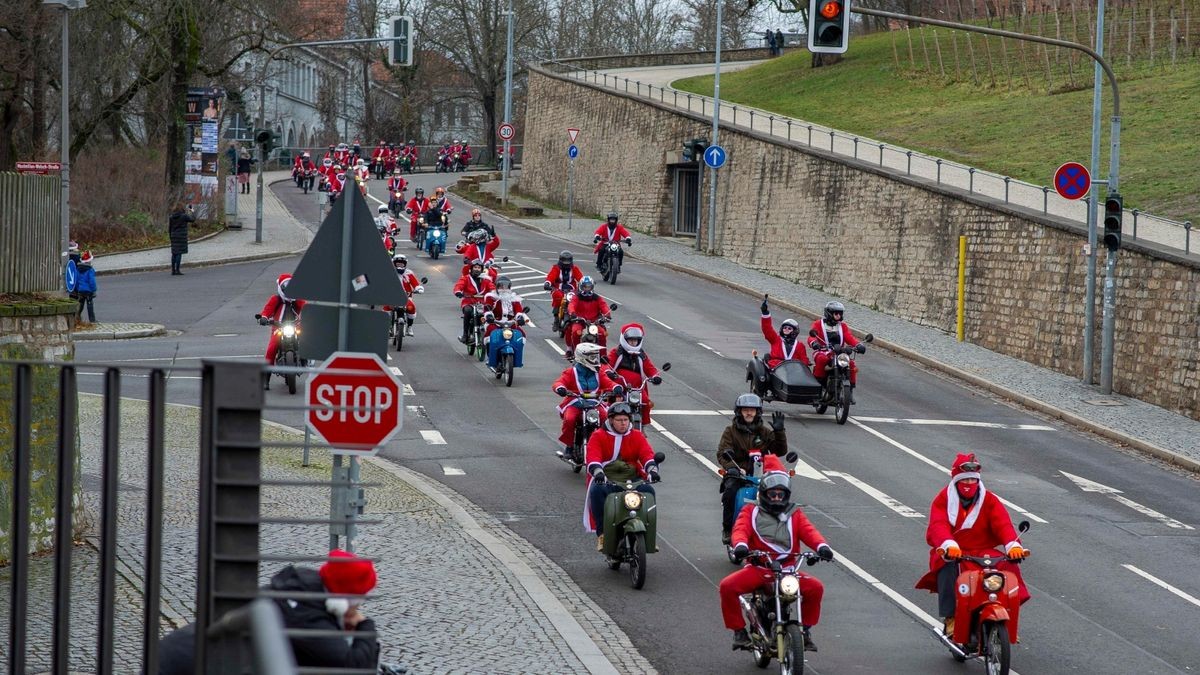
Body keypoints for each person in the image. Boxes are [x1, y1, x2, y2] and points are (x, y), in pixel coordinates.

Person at [157, 549, 381, 673]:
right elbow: (355, 667)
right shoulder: (307, 617)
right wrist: (364, 626)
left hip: (176, 653)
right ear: (342, 601)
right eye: (359, 601)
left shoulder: (298, 591)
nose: (359, 608)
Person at [722, 454, 833, 652]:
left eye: (780, 494)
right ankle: (739, 632)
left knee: (816, 588)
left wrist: (822, 547)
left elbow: (810, 532)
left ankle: (805, 631)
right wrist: (740, 546)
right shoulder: (751, 511)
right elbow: (740, 530)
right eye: (772, 494)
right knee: (727, 587)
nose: (776, 498)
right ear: (764, 493)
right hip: (760, 568)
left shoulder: (795, 513)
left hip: (789, 570)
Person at [915, 453, 1030, 639]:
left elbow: (1002, 524)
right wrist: (948, 544)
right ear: (956, 480)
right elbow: (938, 525)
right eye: (965, 479)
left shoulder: (989, 499)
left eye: (973, 479)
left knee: (1009, 566)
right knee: (947, 567)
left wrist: (1012, 545)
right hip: (954, 551)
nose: (969, 483)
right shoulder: (943, 498)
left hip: (983, 550)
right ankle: (951, 617)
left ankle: (1007, 616)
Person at [583, 402, 660, 551]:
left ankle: (649, 535)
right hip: (608, 479)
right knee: (597, 492)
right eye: (619, 420)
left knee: (649, 492)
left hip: (632, 479)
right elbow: (593, 458)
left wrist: (652, 470)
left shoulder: (636, 436)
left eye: (626, 420)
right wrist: (598, 473)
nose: (623, 423)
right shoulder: (598, 435)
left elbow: (646, 454)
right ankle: (603, 534)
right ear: (611, 420)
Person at [715, 393, 788, 543]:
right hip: (738, 473)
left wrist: (780, 432)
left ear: (758, 412)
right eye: (745, 410)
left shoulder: (764, 432)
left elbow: (780, 451)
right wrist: (732, 468)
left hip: (761, 475)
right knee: (729, 492)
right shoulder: (730, 431)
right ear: (739, 412)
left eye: (752, 410)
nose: (749, 413)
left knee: (779, 492)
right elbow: (723, 453)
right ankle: (728, 529)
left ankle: (780, 528)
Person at [552, 343, 622, 455]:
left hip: (595, 403)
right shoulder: (571, 372)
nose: (595, 359)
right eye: (591, 356)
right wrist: (560, 388)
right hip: (575, 403)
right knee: (569, 419)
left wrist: (616, 387)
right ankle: (569, 446)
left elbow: (609, 382)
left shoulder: (599, 373)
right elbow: (559, 382)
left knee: (606, 416)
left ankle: (607, 445)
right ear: (582, 357)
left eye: (595, 356)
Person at [808, 300, 866, 403]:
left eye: (840, 313)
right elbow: (811, 337)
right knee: (822, 359)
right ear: (829, 313)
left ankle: (850, 391)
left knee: (851, 363)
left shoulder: (842, 326)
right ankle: (818, 388)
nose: (838, 315)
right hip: (822, 350)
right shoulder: (818, 324)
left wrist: (858, 345)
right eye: (836, 313)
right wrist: (814, 343)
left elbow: (849, 337)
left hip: (839, 352)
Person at [606, 323, 662, 426]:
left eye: (635, 340)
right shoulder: (617, 352)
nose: (633, 343)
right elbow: (607, 364)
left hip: (637, 388)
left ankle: (643, 426)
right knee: (612, 404)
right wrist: (608, 372)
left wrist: (655, 376)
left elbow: (650, 368)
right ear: (625, 340)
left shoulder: (641, 355)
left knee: (645, 403)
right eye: (630, 340)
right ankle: (608, 425)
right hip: (620, 387)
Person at [258, 273, 306, 369]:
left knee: (306, 339)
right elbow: (267, 310)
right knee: (271, 349)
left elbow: (306, 307)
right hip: (278, 327)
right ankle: (267, 377)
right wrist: (264, 318)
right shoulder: (275, 299)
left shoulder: (297, 299)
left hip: (296, 326)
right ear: (281, 287)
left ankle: (305, 360)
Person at [482, 276, 529, 370]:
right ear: (496, 287)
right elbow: (487, 309)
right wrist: (489, 316)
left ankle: (516, 356)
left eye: (506, 286)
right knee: (490, 334)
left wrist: (520, 318)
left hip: (511, 323)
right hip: (496, 322)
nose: (504, 289)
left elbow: (518, 311)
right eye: (501, 286)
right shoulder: (491, 297)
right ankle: (490, 357)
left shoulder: (514, 298)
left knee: (521, 334)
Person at [564, 276, 612, 359]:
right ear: (581, 287)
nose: (587, 289)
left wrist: (607, 315)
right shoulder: (577, 297)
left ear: (592, 287)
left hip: (594, 323)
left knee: (602, 334)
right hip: (580, 321)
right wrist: (573, 313)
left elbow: (604, 306)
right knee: (576, 332)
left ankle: (603, 356)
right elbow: (571, 305)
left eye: (589, 287)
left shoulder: (597, 298)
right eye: (585, 287)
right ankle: (575, 353)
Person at [759, 295, 810, 369]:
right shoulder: (775, 339)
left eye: (789, 328)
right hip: (776, 370)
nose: (786, 329)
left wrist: (806, 364)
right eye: (785, 327)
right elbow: (767, 329)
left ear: (794, 331)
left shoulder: (800, 346)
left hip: (793, 371)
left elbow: (804, 360)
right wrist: (765, 313)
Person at [452, 259, 496, 343]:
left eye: (479, 267)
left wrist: (494, 294)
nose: (477, 269)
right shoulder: (466, 278)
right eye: (475, 267)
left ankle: (490, 333)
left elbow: (492, 287)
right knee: (468, 311)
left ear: (482, 269)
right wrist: (458, 292)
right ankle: (465, 334)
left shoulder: (486, 280)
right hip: (469, 302)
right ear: (471, 268)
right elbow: (459, 286)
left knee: (490, 312)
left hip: (483, 303)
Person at [543, 251, 584, 332]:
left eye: (568, 261)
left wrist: (586, 283)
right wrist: (548, 283)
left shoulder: (574, 268)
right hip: (558, 288)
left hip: (571, 289)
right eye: (564, 261)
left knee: (579, 298)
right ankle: (556, 319)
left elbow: (581, 278)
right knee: (557, 295)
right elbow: (550, 277)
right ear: (560, 261)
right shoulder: (556, 268)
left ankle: (579, 316)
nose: (566, 263)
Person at [390, 253, 424, 337]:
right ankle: (387, 327)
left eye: (402, 263)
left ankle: (409, 327)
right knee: (386, 307)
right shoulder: (389, 272)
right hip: (392, 297)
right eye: (398, 263)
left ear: (405, 264)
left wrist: (419, 289)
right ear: (394, 264)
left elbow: (416, 284)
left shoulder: (409, 273)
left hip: (406, 297)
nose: (400, 265)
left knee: (411, 308)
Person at [168, 202, 196, 275]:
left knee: (174, 253)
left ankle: (173, 270)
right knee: (179, 253)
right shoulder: (184, 216)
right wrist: (192, 211)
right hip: (181, 236)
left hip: (173, 236)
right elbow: (192, 219)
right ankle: (177, 270)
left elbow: (170, 228)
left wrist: (170, 236)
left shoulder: (171, 217)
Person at [74, 250, 97, 325]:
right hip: (88, 291)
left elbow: (76, 280)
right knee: (90, 305)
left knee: (80, 305)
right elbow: (92, 281)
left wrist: (78, 288)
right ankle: (92, 320)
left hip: (80, 290)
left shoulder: (78, 269)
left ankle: (76, 318)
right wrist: (94, 289)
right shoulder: (90, 270)